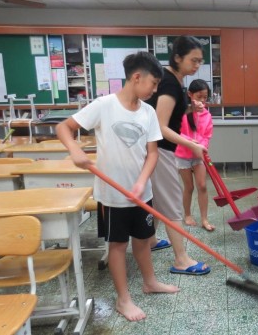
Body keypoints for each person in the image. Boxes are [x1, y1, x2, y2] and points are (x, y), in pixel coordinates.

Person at [56, 51, 179, 321]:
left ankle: (150, 282)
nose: (155, 90)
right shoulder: (103, 105)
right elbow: (64, 127)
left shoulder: (147, 112)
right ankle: (124, 300)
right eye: (154, 83)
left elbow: (153, 153)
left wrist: (141, 181)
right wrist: (75, 149)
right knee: (118, 246)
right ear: (137, 78)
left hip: (141, 193)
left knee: (144, 241)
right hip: (112, 196)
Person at [145, 36, 211, 275]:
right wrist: (191, 143)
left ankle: (151, 240)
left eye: (200, 61)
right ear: (177, 58)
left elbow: (171, 113)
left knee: (153, 198)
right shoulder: (170, 83)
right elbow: (160, 126)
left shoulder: (174, 80)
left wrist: (191, 108)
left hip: (157, 148)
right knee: (172, 204)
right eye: (193, 60)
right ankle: (182, 260)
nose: (197, 65)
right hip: (159, 149)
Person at [174, 79, 214, 231]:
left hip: (198, 156)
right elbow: (176, 132)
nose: (202, 101)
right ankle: (188, 215)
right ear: (190, 95)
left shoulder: (206, 115)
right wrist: (192, 142)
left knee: (202, 186)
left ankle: (204, 219)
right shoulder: (182, 113)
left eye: (205, 97)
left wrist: (202, 146)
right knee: (189, 187)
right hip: (182, 155)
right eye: (199, 97)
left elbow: (207, 135)